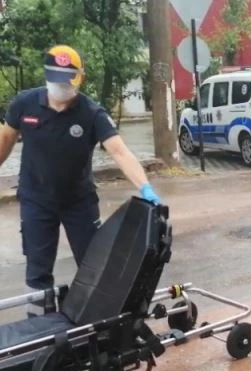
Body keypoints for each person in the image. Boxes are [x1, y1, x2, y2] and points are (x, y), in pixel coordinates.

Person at [0, 45, 162, 317]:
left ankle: (97, 321)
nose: (63, 87)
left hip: (79, 202)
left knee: (93, 263)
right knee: (38, 270)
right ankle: (38, 324)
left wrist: (145, 187)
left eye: (68, 81)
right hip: (36, 200)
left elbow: (119, 151)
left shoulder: (91, 113)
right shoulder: (24, 104)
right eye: (58, 80)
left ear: (79, 79)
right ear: (47, 76)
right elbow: (4, 140)